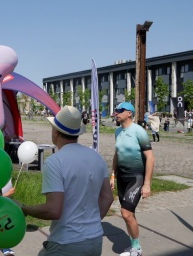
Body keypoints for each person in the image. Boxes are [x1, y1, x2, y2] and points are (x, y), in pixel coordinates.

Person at [21, 106, 114, 256]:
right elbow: (108, 197)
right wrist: (90, 225)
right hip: (95, 240)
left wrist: (24, 209)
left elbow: (53, 210)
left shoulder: (55, 162)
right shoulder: (96, 157)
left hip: (66, 243)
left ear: (56, 132)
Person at [111, 102, 155, 256]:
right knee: (130, 214)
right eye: (116, 110)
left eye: (119, 110)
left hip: (136, 177)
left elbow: (150, 158)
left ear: (129, 113)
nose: (116, 113)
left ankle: (137, 249)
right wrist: (112, 174)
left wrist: (147, 184)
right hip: (121, 177)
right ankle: (133, 246)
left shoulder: (139, 131)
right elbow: (117, 154)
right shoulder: (117, 132)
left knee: (125, 213)